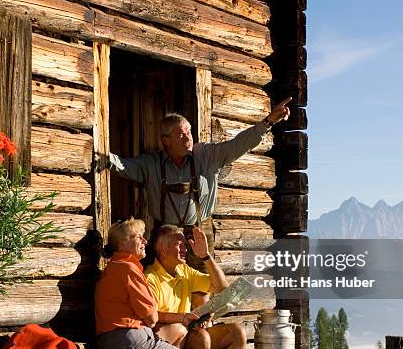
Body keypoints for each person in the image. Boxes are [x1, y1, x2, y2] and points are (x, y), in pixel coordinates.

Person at [108, 97, 292, 270]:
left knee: (201, 290)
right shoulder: (151, 163)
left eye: (189, 132)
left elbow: (238, 145)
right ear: (166, 140)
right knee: (163, 284)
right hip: (164, 233)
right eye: (180, 134)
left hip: (199, 231)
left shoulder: (207, 156)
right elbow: (124, 166)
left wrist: (268, 122)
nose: (188, 138)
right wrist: (103, 156)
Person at [94, 218, 216, 349]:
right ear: (122, 243)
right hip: (131, 343)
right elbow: (151, 318)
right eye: (139, 237)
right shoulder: (129, 269)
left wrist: (180, 317)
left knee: (180, 337)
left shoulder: (113, 267)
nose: (145, 241)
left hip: (109, 345)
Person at [145, 224, 247, 349]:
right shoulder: (150, 278)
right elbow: (150, 318)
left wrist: (206, 256)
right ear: (162, 248)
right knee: (201, 337)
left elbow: (222, 288)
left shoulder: (184, 271)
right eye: (180, 245)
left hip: (189, 334)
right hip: (167, 341)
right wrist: (183, 319)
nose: (185, 249)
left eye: (185, 245)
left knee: (236, 332)